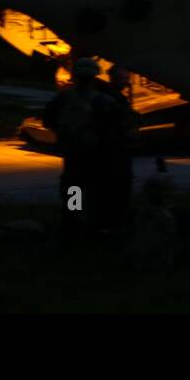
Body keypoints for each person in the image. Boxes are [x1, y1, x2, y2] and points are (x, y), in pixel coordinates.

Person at [42, 57, 131, 245]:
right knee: (95, 196)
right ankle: (92, 232)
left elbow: (48, 121)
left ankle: (73, 230)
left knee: (75, 194)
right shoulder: (103, 100)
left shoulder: (64, 97)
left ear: (74, 76)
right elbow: (120, 127)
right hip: (96, 158)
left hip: (74, 158)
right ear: (94, 77)